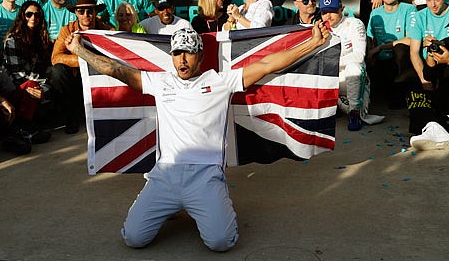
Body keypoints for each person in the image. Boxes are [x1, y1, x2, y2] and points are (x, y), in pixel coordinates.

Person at [68, 23, 330, 251]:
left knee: (221, 243)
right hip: (164, 176)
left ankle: (208, 202)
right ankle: (174, 207)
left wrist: (313, 43)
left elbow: (267, 64)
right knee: (133, 239)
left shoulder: (220, 81)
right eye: (177, 53)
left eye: (189, 53)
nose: (182, 60)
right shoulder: (159, 82)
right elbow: (116, 69)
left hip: (205, 177)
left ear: (200, 56)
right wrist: (80, 49)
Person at [50, 0, 112, 134]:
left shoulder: (107, 30)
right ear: (76, 13)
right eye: (81, 11)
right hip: (76, 79)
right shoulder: (67, 30)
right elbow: (55, 57)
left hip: (99, 77)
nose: (86, 15)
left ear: (95, 12)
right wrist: (84, 60)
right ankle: (70, 116)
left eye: (90, 11)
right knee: (57, 71)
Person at [319, 0, 382, 130]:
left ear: (342, 9)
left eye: (333, 11)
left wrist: (331, 64)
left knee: (354, 68)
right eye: (324, 12)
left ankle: (353, 113)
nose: (328, 16)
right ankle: (331, 106)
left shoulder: (355, 24)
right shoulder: (318, 28)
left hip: (353, 80)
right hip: (331, 78)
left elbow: (359, 56)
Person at [366, 0, 416, 106]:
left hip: (401, 60)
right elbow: (370, 39)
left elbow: (411, 39)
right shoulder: (375, 13)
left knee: (400, 50)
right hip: (380, 60)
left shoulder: (409, 9)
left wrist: (382, 47)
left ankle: (401, 97)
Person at [409, 0, 449, 90]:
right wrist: (424, 80)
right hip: (429, 65)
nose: (433, 5)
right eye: (429, 0)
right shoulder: (419, 17)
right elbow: (414, 52)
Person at [3, 1, 51, 86]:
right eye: (29, 14)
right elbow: (17, 73)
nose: (33, 18)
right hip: (16, 83)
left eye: (37, 15)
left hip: (36, 80)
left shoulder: (41, 38)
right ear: (22, 16)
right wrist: (44, 81)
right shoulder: (12, 40)